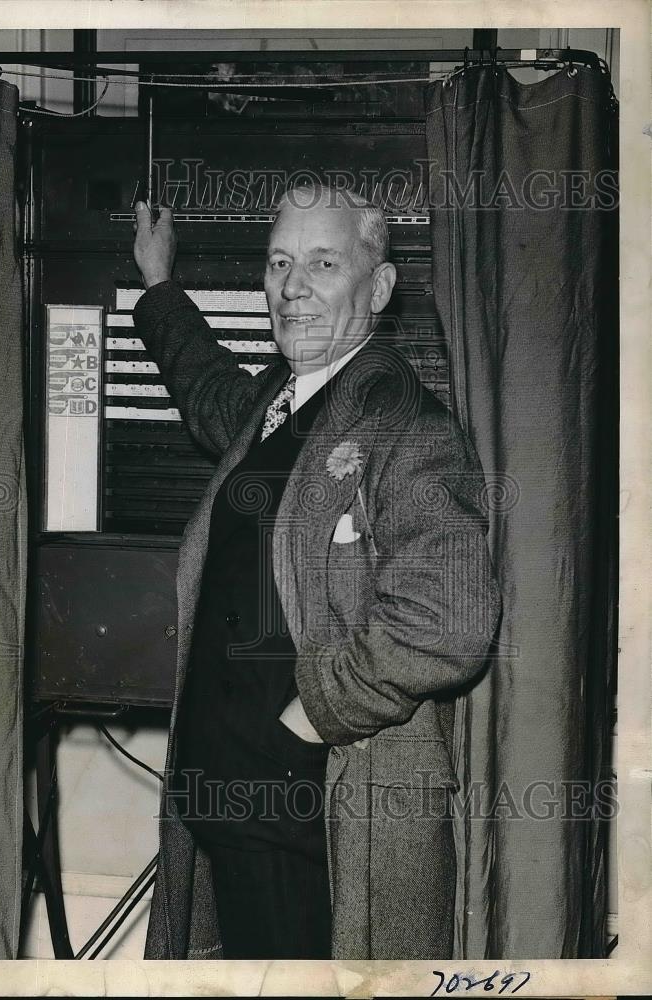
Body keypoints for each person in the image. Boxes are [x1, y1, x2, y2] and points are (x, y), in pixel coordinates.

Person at [131, 182, 501, 961]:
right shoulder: (279, 397)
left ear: (380, 287)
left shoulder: (406, 424)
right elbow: (204, 386)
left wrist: (304, 720)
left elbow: (449, 624)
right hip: (229, 804)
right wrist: (160, 283)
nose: (292, 287)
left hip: (312, 811)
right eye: (278, 263)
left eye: (323, 263)